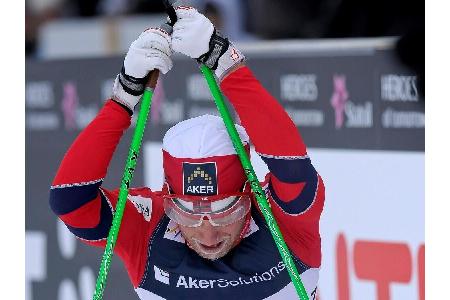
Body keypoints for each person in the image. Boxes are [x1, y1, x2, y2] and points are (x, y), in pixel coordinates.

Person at [49, 6, 325, 299]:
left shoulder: (282, 219)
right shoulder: (149, 229)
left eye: (223, 212)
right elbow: (71, 201)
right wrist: (123, 98)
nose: (208, 235)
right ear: (168, 196)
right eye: (188, 215)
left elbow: (293, 169)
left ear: (248, 192)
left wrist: (223, 59)